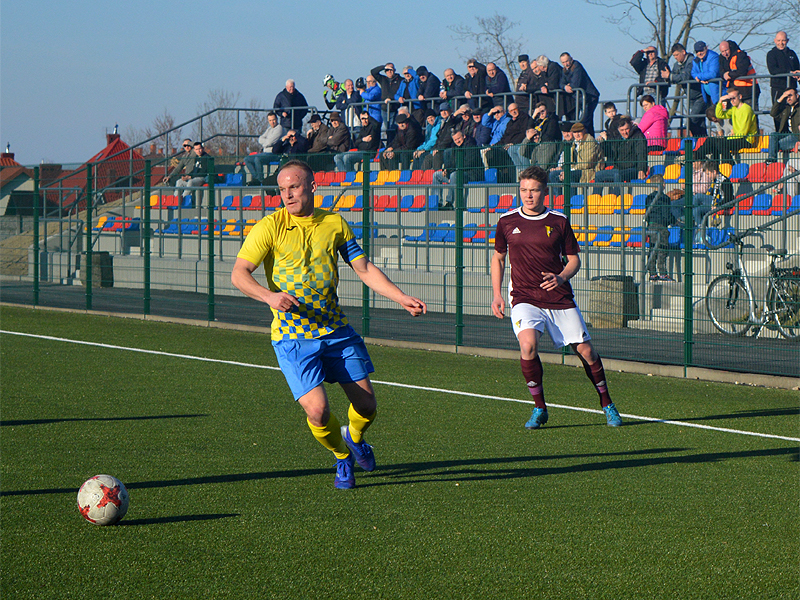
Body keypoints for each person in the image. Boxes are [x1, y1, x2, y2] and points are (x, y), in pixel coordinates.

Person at [231, 160, 426, 490]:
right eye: (282, 189)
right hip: (293, 337)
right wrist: (270, 297)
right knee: (319, 413)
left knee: (367, 406)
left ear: (312, 186)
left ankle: (354, 437)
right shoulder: (269, 226)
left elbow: (363, 269)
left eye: (294, 186)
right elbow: (239, 274)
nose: (287, 194)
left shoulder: (334, 223)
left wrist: (400, 297)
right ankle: (341, 456)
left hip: (335, 332)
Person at [491, 165, 623, 429]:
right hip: (524, 297)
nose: (528, 196)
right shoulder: (506, 222)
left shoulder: (559, 221)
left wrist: (561, 277)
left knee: (586, 352)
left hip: (559, 297)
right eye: (524, 190)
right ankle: (539, 408)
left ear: (545, 192)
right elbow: (499, 258)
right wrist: (496, 294)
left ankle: (607, 403)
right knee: (528, 345)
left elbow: (574, 260)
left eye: (534, 190)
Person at [593, 116, 648, 195]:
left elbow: (641, 153)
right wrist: (603, 142)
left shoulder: (638, 136)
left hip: (633, 169)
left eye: (626, 129)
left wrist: (641, 169)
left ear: (631, 127)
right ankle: (595, 201)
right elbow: (610, 152)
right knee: (599, 175)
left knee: (617, 174)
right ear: (618, 130)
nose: (624, 132)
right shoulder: (618, 138)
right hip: (618, 168)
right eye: (622, 130)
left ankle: (616, 200)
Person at [431, 129, 483, 208]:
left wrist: (452, 172)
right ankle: (436, 203)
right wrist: (446, 171)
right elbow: (451, 163)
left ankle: (450, 203)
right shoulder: (454, 148)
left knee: (454, 175)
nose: (457, 141)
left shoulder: (471, 146)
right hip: (456, 172)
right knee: (436, 175)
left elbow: (468, 163)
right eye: (455, 140)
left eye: (459, 138)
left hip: (472, 173)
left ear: (464, 136)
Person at [643, 174, 678, 281]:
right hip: (661, 226)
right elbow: (666, 214)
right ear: (662, 185)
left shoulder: (648, 198)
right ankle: (663, 273)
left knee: (652, 248)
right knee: (662, 249)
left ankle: (652, 273)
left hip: (651, 225)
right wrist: (673, 221)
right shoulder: (665, 198)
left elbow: (647, 213)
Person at [668, 43, 707, 137]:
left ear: (683, 52)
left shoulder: (693, 61)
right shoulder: (677, 65)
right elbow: (674, 77)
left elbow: (686, 77)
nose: (676, 58)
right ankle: (704, 144)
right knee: (700, 122)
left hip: (700, 95)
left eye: (677, 55)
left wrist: (671, 76)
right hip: (690, 96)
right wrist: (669, 77)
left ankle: (702, 142)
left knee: (692, 121)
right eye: (674, 56)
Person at [711, 89, 758, 163]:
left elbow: (743, 132)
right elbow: (719, 115)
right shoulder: (734, 109)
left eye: (734, 98)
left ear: (740, 96)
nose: (732, 101)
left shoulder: (746, 109)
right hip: (737, 138)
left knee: (720, 143)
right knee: (713, 142)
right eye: (730, 99)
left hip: (746, 140)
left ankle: (730, 165)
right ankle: (712, 166)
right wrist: (720, 101)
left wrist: (730, 137)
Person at [559, 53, 600, 135]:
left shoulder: (577, 66)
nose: (566, 64)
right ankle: (590, 141)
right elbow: (561, 83)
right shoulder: (565, 70)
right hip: (580, 99)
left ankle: (586, 141)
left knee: (584, 122)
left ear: (571, 59)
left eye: (567, 61)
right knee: (588, 122)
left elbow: (575, 84)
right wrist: (565, 87)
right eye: (563, 62)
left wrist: (569, 86)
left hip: (590, 97)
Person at [766, 31, 800, 131]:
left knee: (794, 112)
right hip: (779, 89)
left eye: (783, 40)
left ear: (787, 41)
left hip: (792, 89)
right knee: (778, 114)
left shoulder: (792, 54)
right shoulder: (771, 54)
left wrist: (797, 73)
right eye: (779, 40)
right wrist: (789, 72)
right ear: (775, 41)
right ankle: (781, 137)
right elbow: (773, 70)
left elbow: (797, 68)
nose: (781, 43)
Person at [244, 112, 284, 186]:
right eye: (270, 120)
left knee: (257, 159)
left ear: (277, 119)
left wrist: (266, 142)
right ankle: (256, 178)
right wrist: (267, 142)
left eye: (273, 120)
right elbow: (260, 139)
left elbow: (270, 142)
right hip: (265, 153)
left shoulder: (279, 128)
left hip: (274, 154)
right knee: (247, 159)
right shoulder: (269, 129)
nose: (272, 122)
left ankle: (260, 180)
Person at [767, 88, 800, 163]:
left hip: (796, 136)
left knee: (775, 145)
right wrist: (781, 98)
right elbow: (773, 113)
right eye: (786, 97)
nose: (788, 98)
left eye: (790, 95)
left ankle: (772, 160)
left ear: (797, 96)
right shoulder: (786, 109)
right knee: (773, 135)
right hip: (787, 134)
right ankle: (772, 158)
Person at [175, 142, 210, 207]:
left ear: (203, 148)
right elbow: (194, 170)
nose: (198, 151)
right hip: (194, 178)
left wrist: (190, 177)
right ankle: (175, 200)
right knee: (179, 182)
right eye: (196, 149)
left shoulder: (206, 157)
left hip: (202, 178)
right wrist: (187, 176)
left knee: (190, 182)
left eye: (200, 149)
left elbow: (203, 171)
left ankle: (182, 200)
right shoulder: (196, 157)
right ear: (194, 150)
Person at [691, 42, 721, 107]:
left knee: (719, 115)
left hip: (717, 93)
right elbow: (693, 73)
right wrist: (701, 79)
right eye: (697, 51)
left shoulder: (714, 57)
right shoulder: (696, 60)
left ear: (706, 48)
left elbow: (713, 73)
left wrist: (700, 77)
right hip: (706, 94)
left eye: (701, 50)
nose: (699, 53)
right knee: (710, 114)